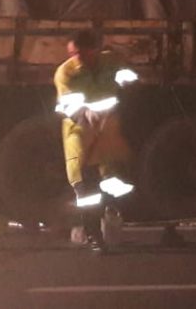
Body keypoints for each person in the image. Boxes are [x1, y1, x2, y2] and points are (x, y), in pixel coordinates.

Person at [54, 30, 137, 247]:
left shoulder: (110, 61)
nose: (77, 58)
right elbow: (68, 107)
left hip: (107, 136)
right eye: (74, 53)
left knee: (111, 181)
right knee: (87, 189)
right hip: (81, 136)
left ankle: (107, 228)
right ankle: (93, 235)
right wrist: (89, 116)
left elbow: (127, 77)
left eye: (81, 53)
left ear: (95, 50)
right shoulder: (65, 73)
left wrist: (127, 81)